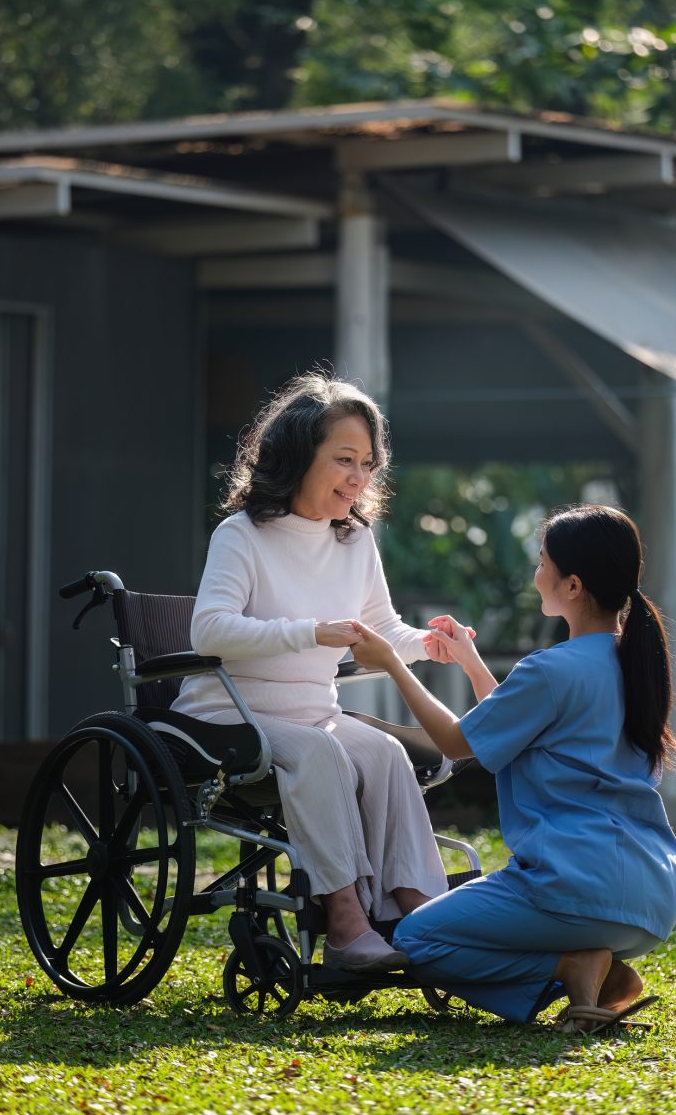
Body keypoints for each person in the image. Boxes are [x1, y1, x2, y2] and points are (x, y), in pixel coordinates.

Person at [350, 503, 676, 1031]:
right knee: (434, 930)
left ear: (572, 585)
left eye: (542, 562)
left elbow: (459, 742)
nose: (536, 574)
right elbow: (514, 718)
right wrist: (469, 659)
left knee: (417, 938)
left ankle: (571, 964)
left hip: (574, 889)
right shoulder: (637, 663)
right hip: (651, 899)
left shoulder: (551, 670)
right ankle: (594, 970)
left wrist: (393, 663)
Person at [172, 371, 448, 972]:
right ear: (298, 456)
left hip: (313, 712)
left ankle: (422, 917)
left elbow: (382, 629)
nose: (359, 477)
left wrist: (431, 644)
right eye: (344, 459)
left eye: (368, 464)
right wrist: (311, 632)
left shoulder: (355, 542)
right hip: (228, 711)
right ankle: (347, 926)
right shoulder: (241, 534)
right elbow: (209, 631)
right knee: (322, 755)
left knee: (386, 755)